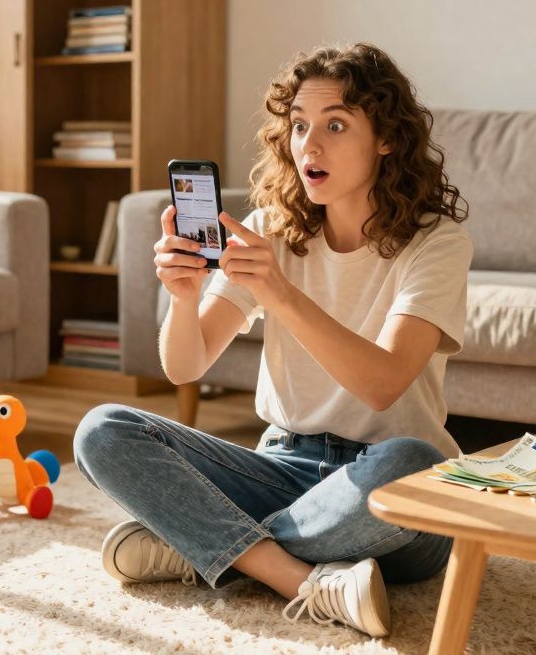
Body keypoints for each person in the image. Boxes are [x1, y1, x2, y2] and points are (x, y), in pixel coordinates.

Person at [73, 42, 471, 638]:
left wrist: (281, 292)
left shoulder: (435, 243)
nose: (310, 144)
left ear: (386, 138)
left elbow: (384, 385)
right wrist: (183, 297)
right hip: (283, 464)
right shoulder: (269, 231)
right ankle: (296, 578)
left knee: (414, 466)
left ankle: (204, 547)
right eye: (299, 126)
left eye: (335, 125)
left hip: (387, 487)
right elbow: (185, 366)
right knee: (102, 430)